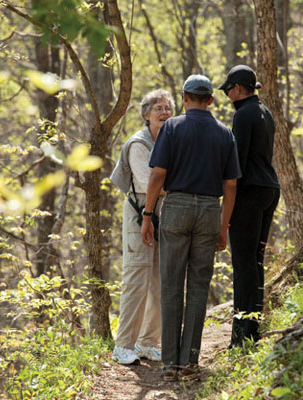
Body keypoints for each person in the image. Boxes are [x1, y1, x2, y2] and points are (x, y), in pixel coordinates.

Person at [141, 75, 241, 381]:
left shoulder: (171, 127)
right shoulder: (225, 133)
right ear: (211, 99)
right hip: (210, 210)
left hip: (177, 209)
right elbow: (231, 185)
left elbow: (158, 175)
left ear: (184, 97)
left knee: (171, 285)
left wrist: (147, 214)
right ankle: (189, 363)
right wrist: (223, 227)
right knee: (198, 287)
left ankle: (170, 364)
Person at [109, 89, 175, 365]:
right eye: (158, 108)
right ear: (146, 114)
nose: (163, 112)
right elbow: (152, 183)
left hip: (167, 216)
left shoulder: (174, 140)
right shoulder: (138, 144)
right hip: (140, 215)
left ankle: (148, 343)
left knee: (161, 281)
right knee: (136, 277)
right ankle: (123, 345)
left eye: (168, 108)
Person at [218, 65, 281, 348]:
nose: (227, 94)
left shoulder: (242, 115)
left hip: (250, 192)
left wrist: (226, 200)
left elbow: (237, 163)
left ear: (239, 88)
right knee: (255, 261)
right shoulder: (265, 112)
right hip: (270, 188)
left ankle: (241, 337)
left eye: (228, 89)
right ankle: (253, 330)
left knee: (243, 263)